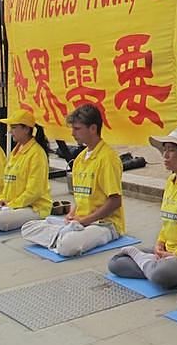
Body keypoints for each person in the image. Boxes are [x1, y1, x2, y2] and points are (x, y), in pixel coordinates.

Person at [108, 126, 177, 288]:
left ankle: (152, 266)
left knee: (161, 274)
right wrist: (160, 244)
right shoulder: (171, 181)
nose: (165, 155)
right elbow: (168, 222)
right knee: (116, 262)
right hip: (169, 251)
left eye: (171, 150)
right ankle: (152, 265)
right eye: (164, 149)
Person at [21, 105, 123, 256]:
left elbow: (115, 201)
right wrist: (72, 214)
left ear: (93, 129)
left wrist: (85, 221)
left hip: (103, 224)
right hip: (78, 222)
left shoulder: (108, 158)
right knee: (27, 227)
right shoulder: (80, 159)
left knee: (68, 245)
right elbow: (81, 197)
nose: (73, 134)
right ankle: (61, 236)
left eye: (77, 129)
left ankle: (61, 237)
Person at [0, 110, 52, 231]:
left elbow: (34, 192)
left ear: (26, 129)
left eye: (14, 127)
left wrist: (12, 204)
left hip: (33, 207)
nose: (10, 131)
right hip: (11, 205)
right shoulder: (15, 151)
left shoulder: (37, 154)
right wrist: (3, 199)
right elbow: (7, 182)